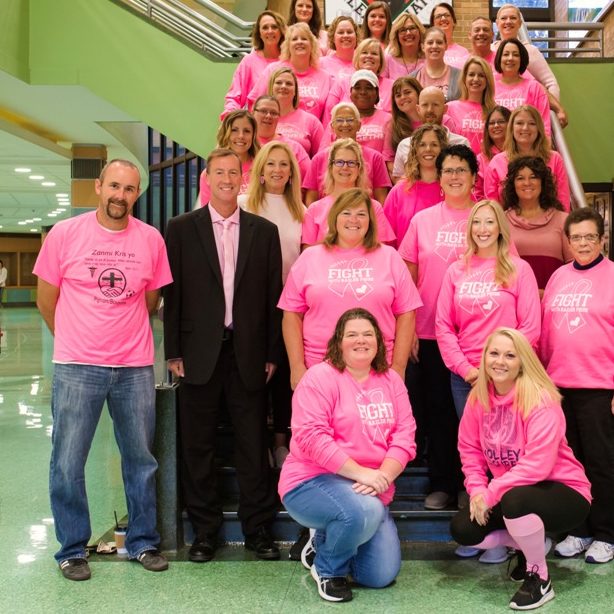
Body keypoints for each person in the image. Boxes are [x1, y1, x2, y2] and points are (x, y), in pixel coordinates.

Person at [33, 159, 172, 581]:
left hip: (134, 366)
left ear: (137, 194)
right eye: (114, 186)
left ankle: (143, 541)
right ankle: (72, 549)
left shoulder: (150, 239)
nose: (120, 196)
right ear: (98, 186)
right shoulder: (64, 234)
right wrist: (75, 340)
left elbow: (151, 301)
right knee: (67, 461)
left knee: (140, 459)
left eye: (129, 189)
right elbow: (46, 299)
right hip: (77, 366)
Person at [164, 147, 284, 563]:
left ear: (242, 178)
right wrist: (173, 350)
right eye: (220, 173)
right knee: (198, 446)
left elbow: (273, 298)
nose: (228, 179)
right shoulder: (181, 228)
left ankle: (258, 529)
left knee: (253, 444)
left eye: (234, 172)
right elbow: (173, 293)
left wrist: (272, 353)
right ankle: (204, 532)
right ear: (208, 179)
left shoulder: (263, 231)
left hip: (249, 353)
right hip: (196, 353)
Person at [279, 308, 417, 603]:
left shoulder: (391, 380)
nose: (361, 340)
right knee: (361, 511)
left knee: (379, 576)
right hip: (312, 480)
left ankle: (326, 538)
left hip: (371, 488)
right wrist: (363, 474)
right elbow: (312, 438)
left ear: (379, 341)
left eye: (368, 334)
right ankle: (328, 569)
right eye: (352, 334)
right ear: (338, 342)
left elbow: (405, 436)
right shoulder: (319, 377)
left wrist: (382, 477)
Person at [451, 329, 592, 611]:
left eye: (510, 355)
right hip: (513, 492)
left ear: (522, 362)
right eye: (494, 353)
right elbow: (470, 450)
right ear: (484, 358)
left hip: (566, 493)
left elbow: (537, 465)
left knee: (515, 500)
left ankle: (539, 577)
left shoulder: (541, 400)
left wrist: (491, 494)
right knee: (464, 529)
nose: (500, 361)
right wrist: (477, 491)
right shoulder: (478, 399)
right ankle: (531, 544)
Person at [541, 207, 614, 565]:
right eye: (576, 238)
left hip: (599, 388)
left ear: (602, 238)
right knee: (570, 464)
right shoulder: (558, 277)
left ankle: (607, 535)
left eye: (590, 236)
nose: (583, 243)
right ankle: (580, 530)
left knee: (600, 463)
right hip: (559, 387)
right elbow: (545, 333)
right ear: (568, 242)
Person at [396, 145, 477, 514]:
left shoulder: (486, 217)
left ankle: (472, 485)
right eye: (448, 170)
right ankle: (443, 483)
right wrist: (410, 328)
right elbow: (407, 280)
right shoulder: (422, 220)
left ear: (474, 177)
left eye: (461, 169)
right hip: (429, 331)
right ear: (439, 178)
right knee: (438, 410)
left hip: (476, 335)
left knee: (474, 414)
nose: (454, 176)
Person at [280, 187, 422, 390]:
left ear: (370, 221)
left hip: (378, 368)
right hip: (319, 368)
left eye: (361, 214)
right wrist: (296, 367)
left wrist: (399, 367)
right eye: (346, 213)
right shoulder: (310, 257)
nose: (353, 220)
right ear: (335, 219)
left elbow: (407, 314)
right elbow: (291, 315)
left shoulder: (390, 257)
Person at [436, 199, 541, 419]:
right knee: (471, 438)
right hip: (467, 377)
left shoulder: (519, 269)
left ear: (500, 228)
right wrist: (465, 369)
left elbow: (531, 326)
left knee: (509, 438)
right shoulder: (455, 270)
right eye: (476, 222)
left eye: (490, 222)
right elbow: (443, 326)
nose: (482, 229)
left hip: (508, 374)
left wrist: (501, 365)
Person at [238, 142, 306, 468]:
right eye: (271, 164)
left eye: (284, 164)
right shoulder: (242, 205)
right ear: (261, 170)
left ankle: (281, 443)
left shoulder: (302, 211)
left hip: (289, 304)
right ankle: (257, 444)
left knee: (283, 376)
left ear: (291, 172)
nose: (278, 170)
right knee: (253, 376)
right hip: (250, 303)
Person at [301, 139, 394, 246]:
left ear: (359, 169)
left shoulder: (374, 208)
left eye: (351, 163)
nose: (345, 167)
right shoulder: (314, 209)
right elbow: (308, 252)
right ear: (331, 168)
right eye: (339, 162)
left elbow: (380, 250)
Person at [501, 157, 573, 292]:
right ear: (513, 184)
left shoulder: (563, 220)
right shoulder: (501, 221)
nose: (527, 183)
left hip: (554, 299)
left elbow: (573, 266)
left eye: (533, 177)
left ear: (543, 182)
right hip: (513, 299)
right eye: (520, 178)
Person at [492, 5, 568, 127]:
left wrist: (551, 114)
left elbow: (551, 84)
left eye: (513, 18)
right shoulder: (489, 51)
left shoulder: (530, 51)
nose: (508, 22)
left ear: (520, 23)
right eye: (504, 18)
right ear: (497, 23)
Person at [483, 105, 571, 209]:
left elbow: (563, 200)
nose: (525, 128)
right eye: (520, 123)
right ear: (511, 128)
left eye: (532, 123)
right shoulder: (497, 162)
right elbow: (492, 206)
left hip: (550, 218)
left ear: (539, 128)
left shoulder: (555, 159)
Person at [304, 102, 391, 205]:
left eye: (350, 120)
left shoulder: (375, 157)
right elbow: (311, 199)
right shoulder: (318, 159)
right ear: (332, 126)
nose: (345, 124)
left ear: (359, 125)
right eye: (339, 120)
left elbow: (381, 198)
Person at [250, 24, 333, 121]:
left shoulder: (325, 77)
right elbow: (255, 103)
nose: (299, 42)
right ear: (288, 45)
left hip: (311, 129)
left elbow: (328, 115)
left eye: (304, 39)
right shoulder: (273, 70)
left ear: (312, 45)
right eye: (294, 39)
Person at [381, 124, 447, 244]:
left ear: (443, 149)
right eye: (422, 145)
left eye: (434, 144)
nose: (428, 149)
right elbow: (386, 238)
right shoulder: (398, 191)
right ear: (414, 150)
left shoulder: (452, 188)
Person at [391, 87, 469, 181]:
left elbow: (467, 180)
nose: (429, 110)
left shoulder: (461, 144)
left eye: (435, 105)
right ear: (418, 109)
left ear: (445, 109)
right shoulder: (405, 145)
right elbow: (399, 181)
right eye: (425, 105)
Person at [221, 10, 286, 117]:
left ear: (281, 31)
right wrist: (229, 117)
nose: (270, 31)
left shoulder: (289, 61)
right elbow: (235, 96)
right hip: (257, 121)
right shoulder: (249, 61)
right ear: (259, 34)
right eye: (265, 28)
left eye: (274, 27)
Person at [261, 65, 326, 156]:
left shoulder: (312, 122)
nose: (283, 86)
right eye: (279, 82)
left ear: (296, 90)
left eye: (289, 84)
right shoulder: (260, 119)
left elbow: (322, 158)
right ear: (271, 87)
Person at [493, 38, 551, 137]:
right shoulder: (490, 88)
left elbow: (544, 126)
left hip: (527, 144)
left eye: (516, 55)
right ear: (499, 58)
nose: (510, 58)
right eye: (506, 54)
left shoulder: (534, 87)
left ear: (521, 59)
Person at [446, 57, 497, 155]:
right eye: (471, 74)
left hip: (487, 163)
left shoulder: (495, 111)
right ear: (464, 78)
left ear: (488, 80)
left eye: (481, 75)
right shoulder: (450, 108)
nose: (476, 79)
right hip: (458, 162)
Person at [411, 27, 462, 101]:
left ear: (446, 46)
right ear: (423, 47)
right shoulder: (413, 78)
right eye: (430, 43)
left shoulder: (460, 76)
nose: (434, 46)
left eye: (439, 42)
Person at [475, 105, 511, 199]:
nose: (496, 126)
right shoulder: (480, 159)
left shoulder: (520, 153)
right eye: (491, 123)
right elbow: (478, 194)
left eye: (501, 121)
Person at [319, 15, 359, 86]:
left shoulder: (362, 64)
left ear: (356, 36)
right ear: (333, 38)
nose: (346, 35)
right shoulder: (321, 63)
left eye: (349, 32)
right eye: (341, 32)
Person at [385, 13, 426, 80]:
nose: (408, 33)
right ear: (396, 36)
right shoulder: (388, 60)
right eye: (403, 30)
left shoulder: (429, 59)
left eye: (412, 28)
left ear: (419, 31)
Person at [430, 3, 471, 68]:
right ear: (433, 24)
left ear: (454, 21)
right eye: (438, 16)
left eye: (447, 15)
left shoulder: (464, 52)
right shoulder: (429, 51)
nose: (443, 18)